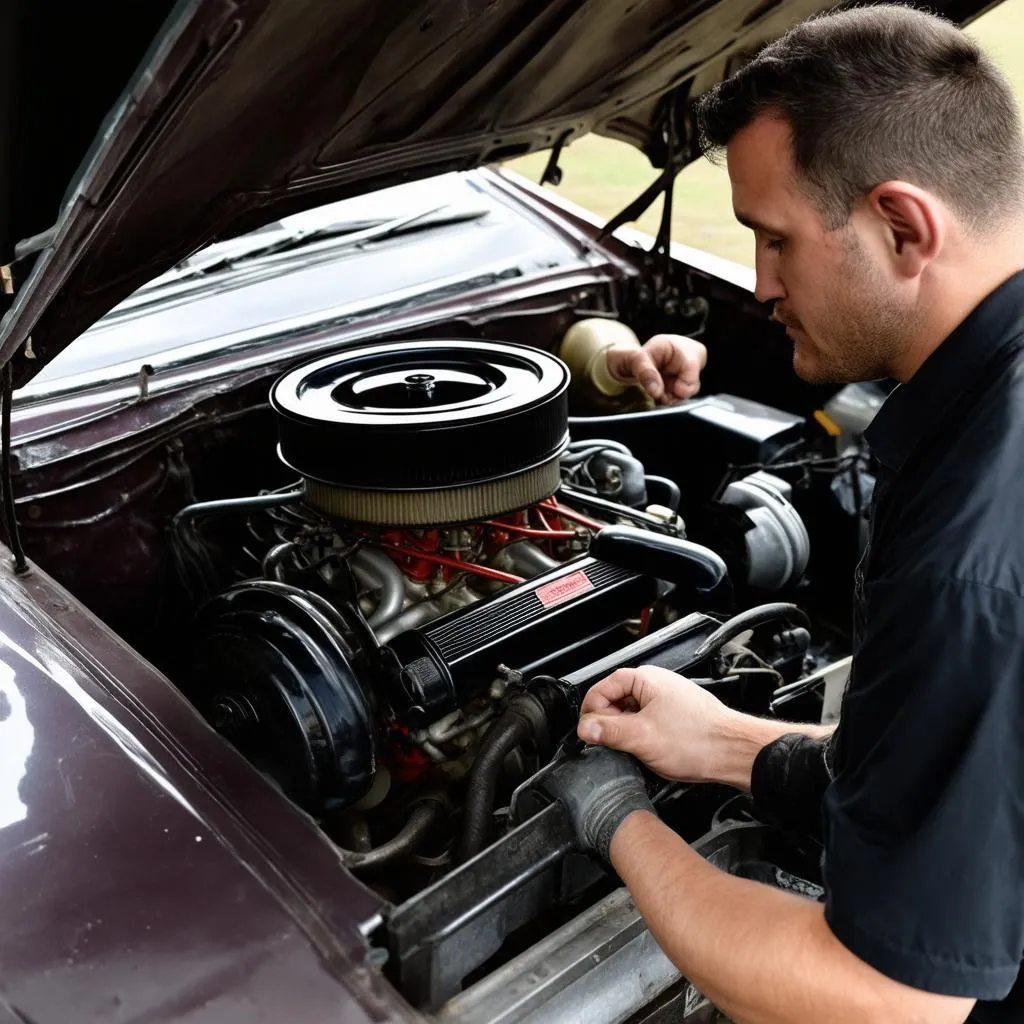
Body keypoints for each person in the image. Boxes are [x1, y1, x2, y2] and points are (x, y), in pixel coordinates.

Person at [541, 6, 1024, 1023]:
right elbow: (948, 761)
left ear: (904, 227)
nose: (757, 284)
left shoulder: (968, 552)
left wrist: (620, 823)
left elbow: (877, 1001)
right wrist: (728, 745)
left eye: (775, 240)